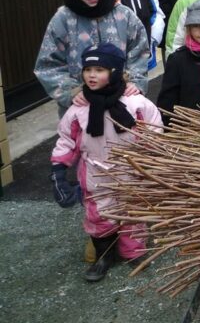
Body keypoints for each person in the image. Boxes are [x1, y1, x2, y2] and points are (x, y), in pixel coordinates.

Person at [50, 43, 162, 282]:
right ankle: (104, 256)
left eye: (100, 69)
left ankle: (134, 252)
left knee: (134, 213)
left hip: (132, 172)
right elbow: (66, 141)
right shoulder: (79, 109)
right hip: (96, 176)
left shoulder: (136, 104)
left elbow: (154, 132)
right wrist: (58, 172)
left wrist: (154, 162)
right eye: (88, 69)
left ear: (115, 71)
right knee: (99, 217)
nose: (92, 75)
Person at [35, 0, 149, 117]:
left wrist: (136, 81)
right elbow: (47, 65)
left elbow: (139, 50)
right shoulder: (63, 19)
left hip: (123, 102)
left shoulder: (123, 15)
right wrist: (70, 91)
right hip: (81, 108)